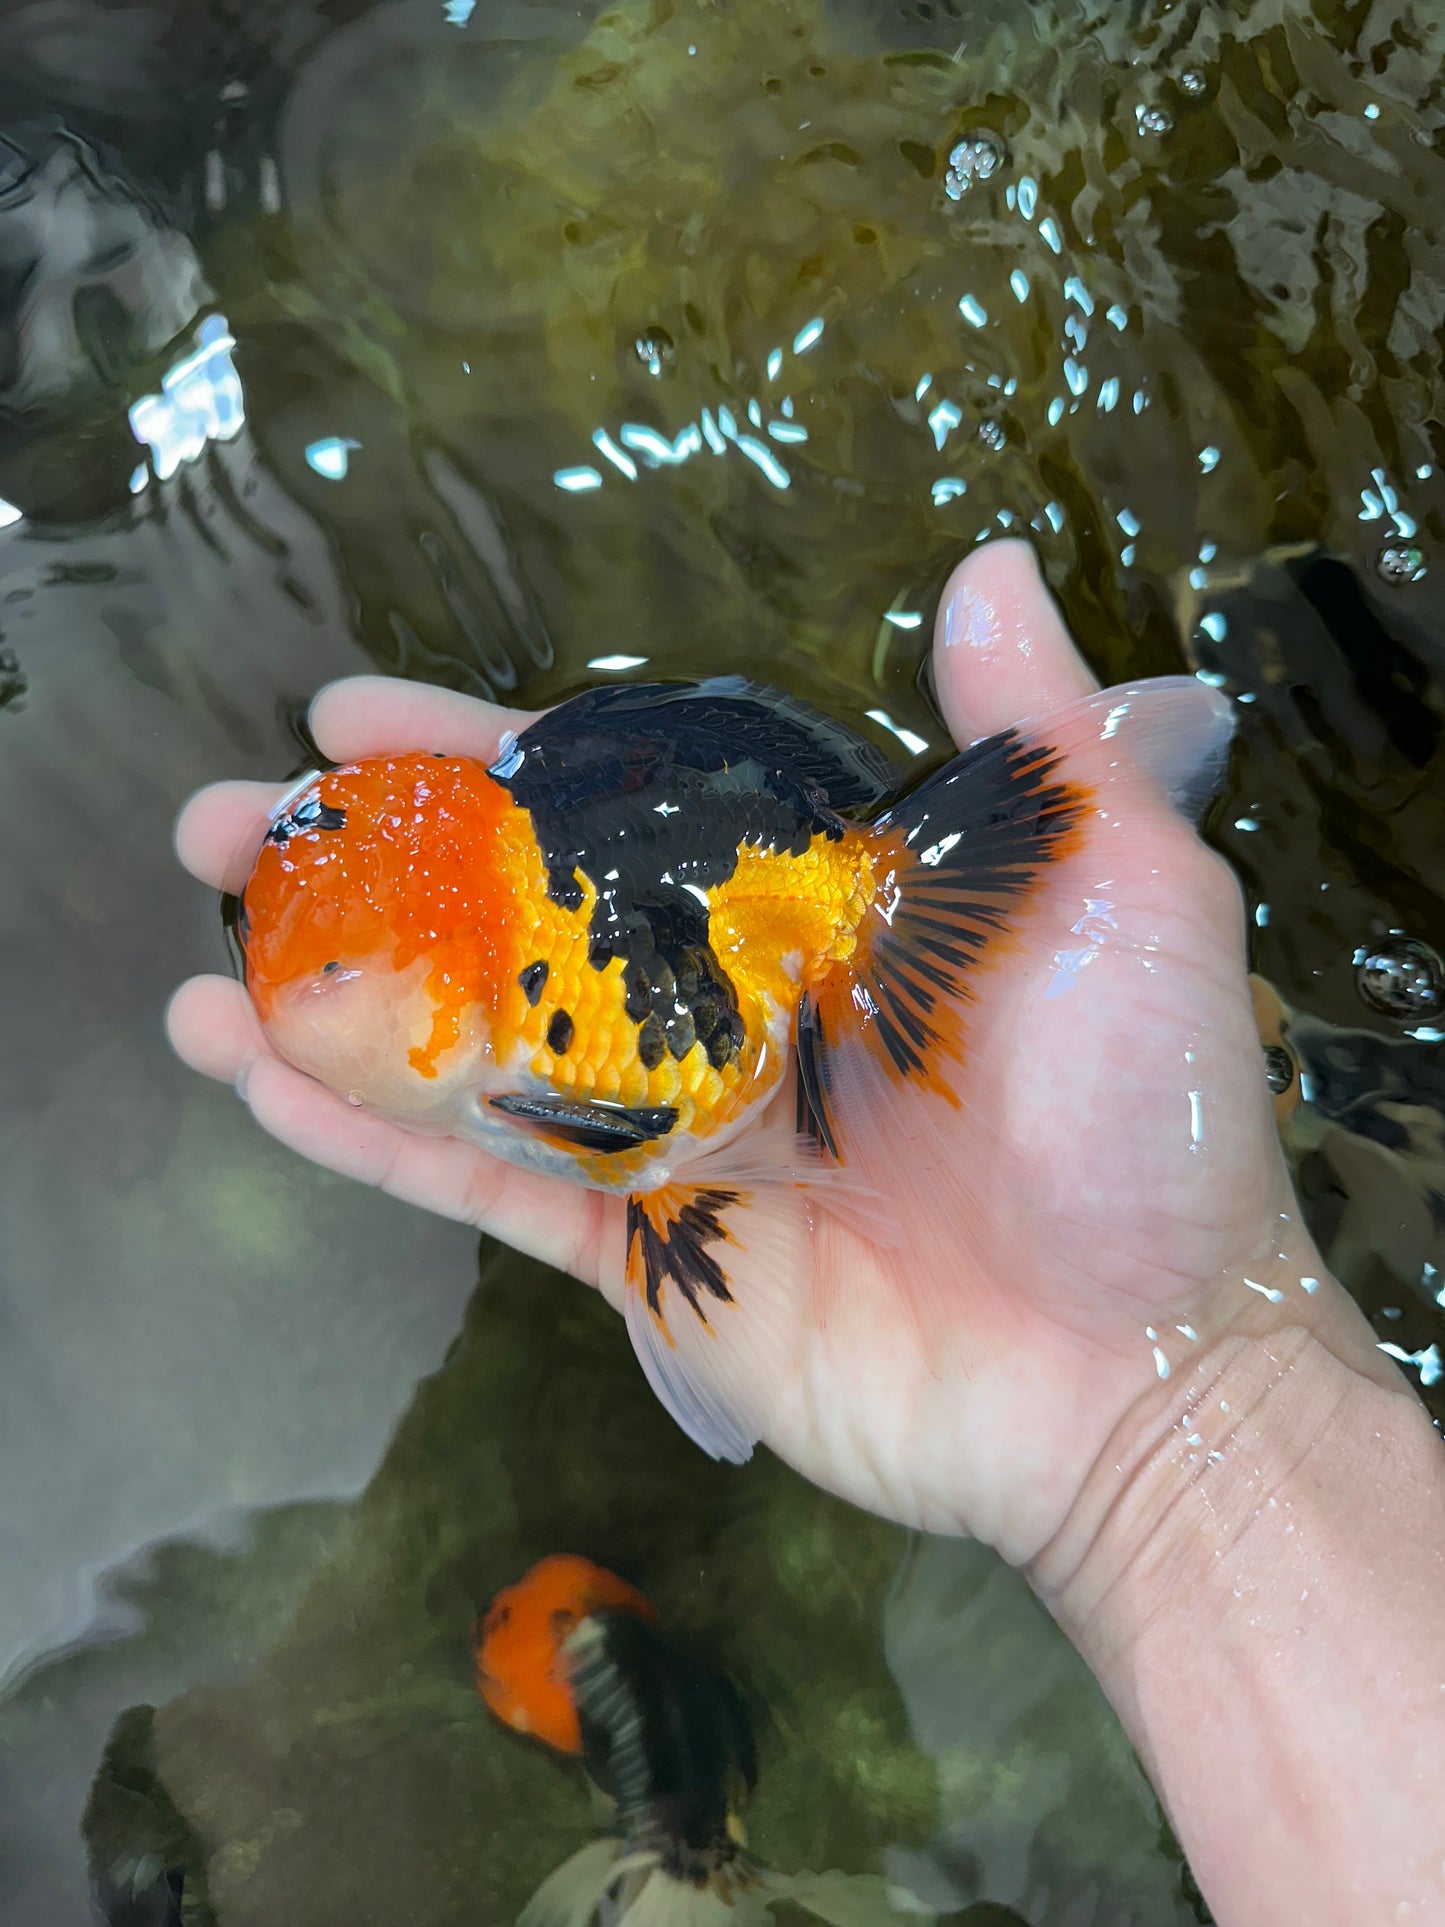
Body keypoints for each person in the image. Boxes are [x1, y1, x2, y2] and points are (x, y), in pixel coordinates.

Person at [168, 540, 1445, 1926]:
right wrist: (1177, 1427)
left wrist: (1174, 1401)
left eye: (337, 973)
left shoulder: (539, 1044)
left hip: (751, 965)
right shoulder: (480, 1003)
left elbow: (601, 1128)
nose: (284, 982)